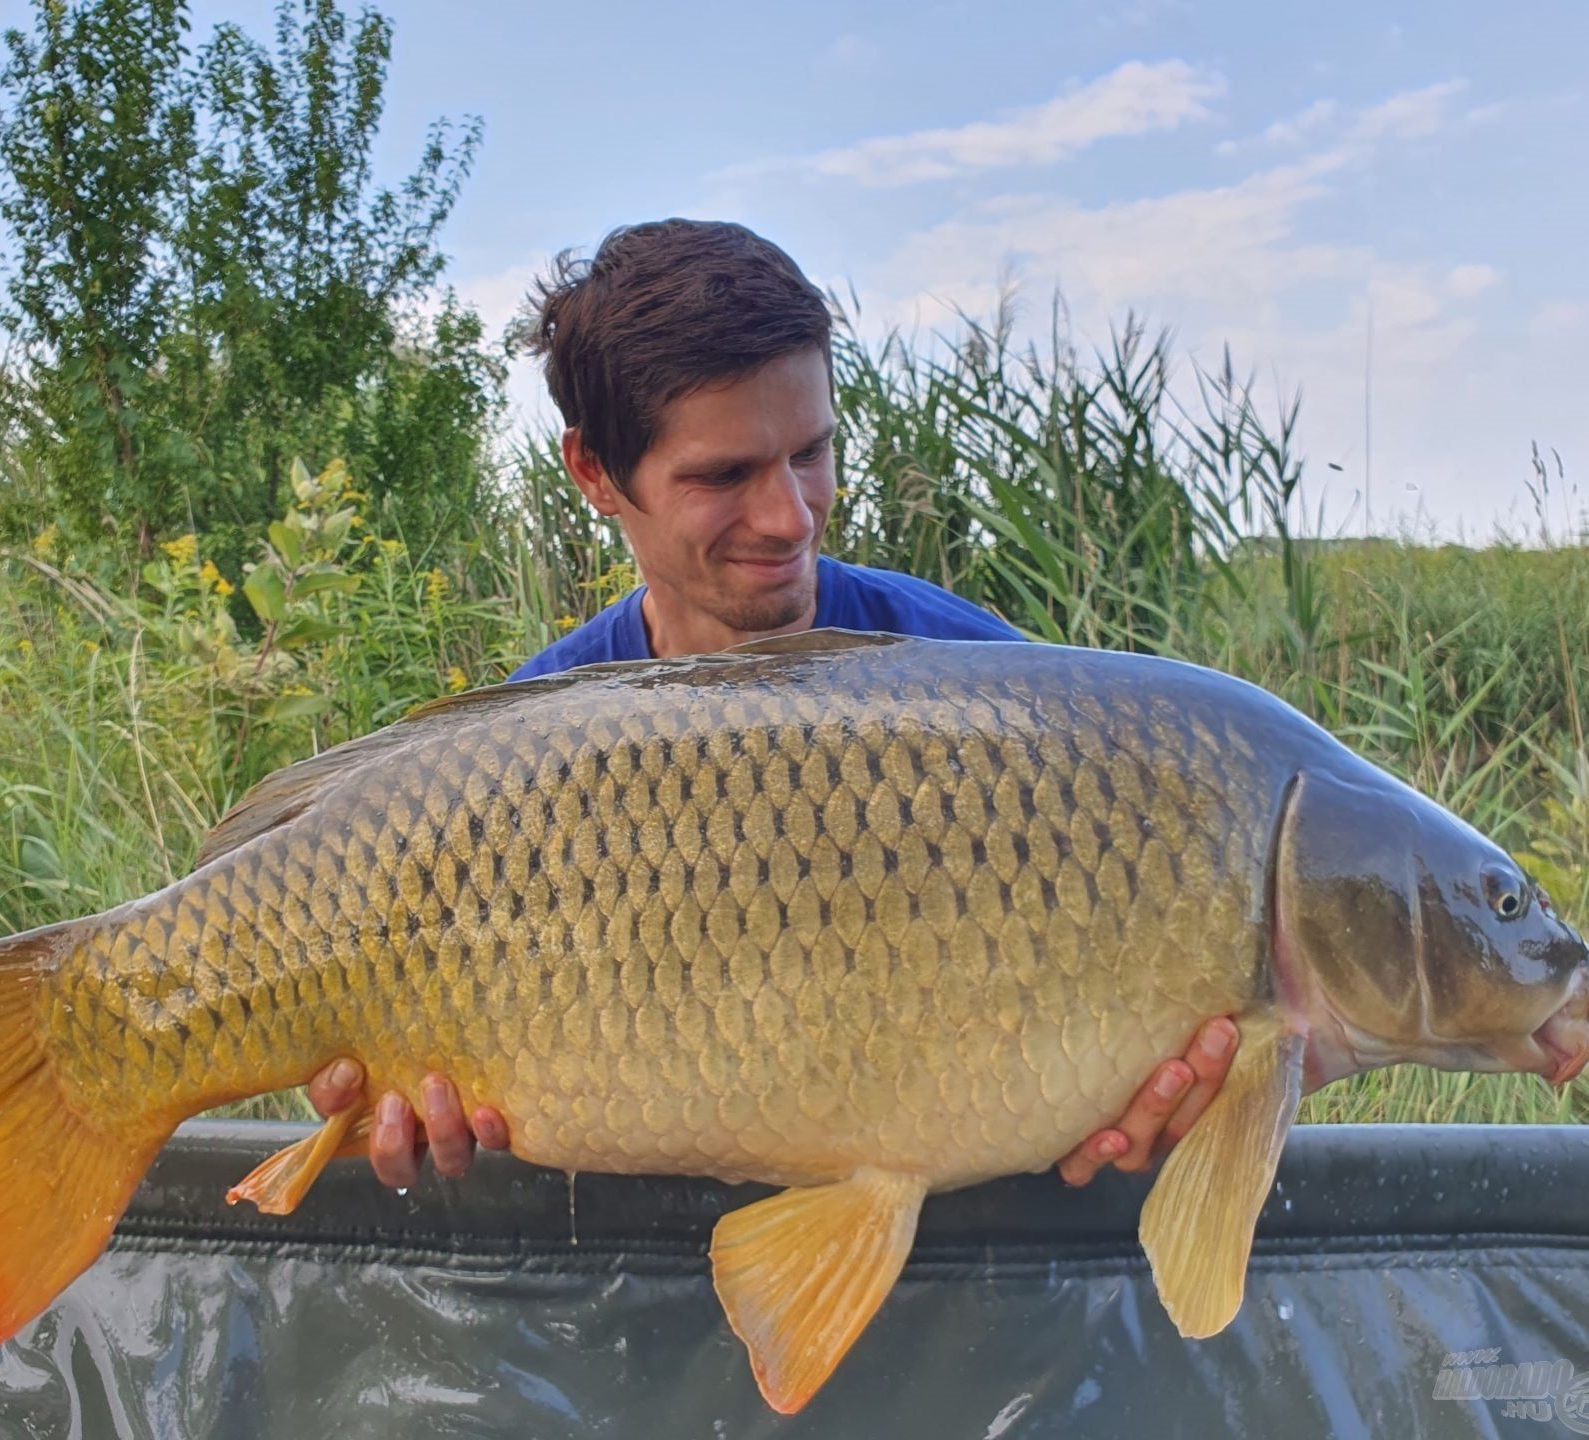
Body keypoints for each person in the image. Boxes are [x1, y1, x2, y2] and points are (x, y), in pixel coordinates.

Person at [305, 219, 1238, 1194]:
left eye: (810, 452)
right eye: (723, 476)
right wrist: (396, 1109)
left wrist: (1159, 1089)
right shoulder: (523, 753)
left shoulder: (988, 692)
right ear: (594, 473)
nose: (790, 516)